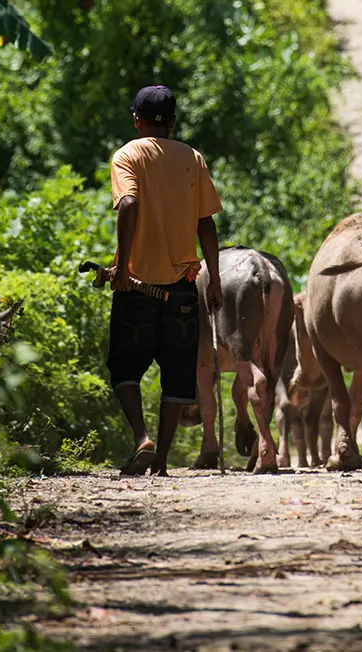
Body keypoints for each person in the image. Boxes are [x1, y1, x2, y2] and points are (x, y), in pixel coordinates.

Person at [106, 84, 223, 476]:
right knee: (177, 370)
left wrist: (121, 267)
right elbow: (205, 222)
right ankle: (162, 461)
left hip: (137, 286)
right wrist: (217, 279)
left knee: (124, 368)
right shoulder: (193, 158)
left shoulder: (128, 155)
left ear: (137, 120)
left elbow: (129, 203)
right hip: (182, 290)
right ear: (172, 122)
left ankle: (142, 438)